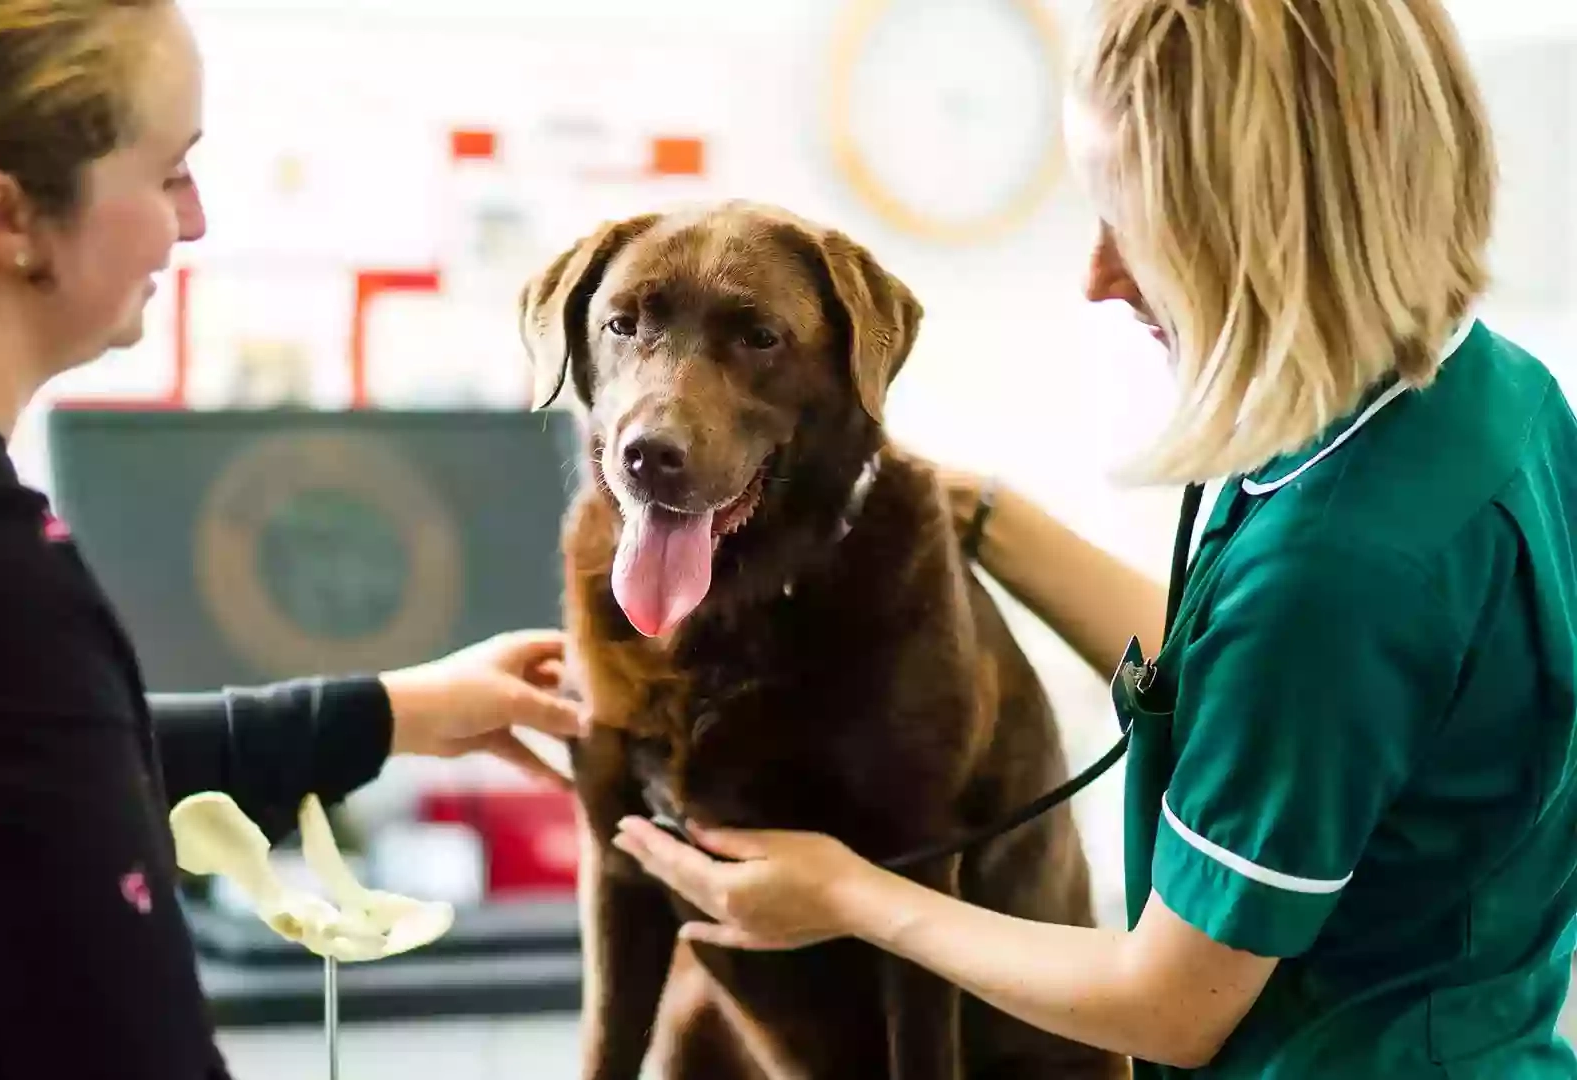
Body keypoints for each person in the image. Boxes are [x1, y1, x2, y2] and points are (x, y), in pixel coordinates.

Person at [613, 1, 1577, 1077]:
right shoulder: (1486, 399)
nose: (1099, 276)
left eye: (1134, 221)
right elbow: (1277, 697)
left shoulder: (1341, 566)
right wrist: (972, 511)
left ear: (1273, 218)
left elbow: (1169, 1004)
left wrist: (848, 895)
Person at [0, 2, 582, 1078]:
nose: (190, 223)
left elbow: (6, 760)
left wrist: (389, 717)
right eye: (168, 173)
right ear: (7, 218)